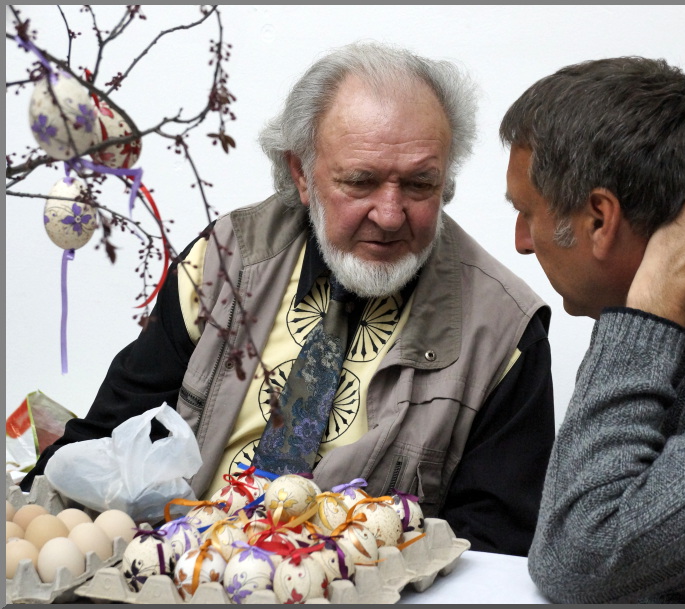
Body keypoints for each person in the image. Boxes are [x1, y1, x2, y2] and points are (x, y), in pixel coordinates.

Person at [21, 42, 557, 557]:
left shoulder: (504, 334)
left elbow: (489, 557)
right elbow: (108, 435)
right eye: (361, 181)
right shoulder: (223, 261)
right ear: (301, 173)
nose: (391, 215)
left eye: (420, 184)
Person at [500, 56, 685, 602]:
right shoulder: (672, 309)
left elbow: (578, 560)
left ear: (600, 218)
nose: (521, 242)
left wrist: (649, 316)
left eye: (528, 212)